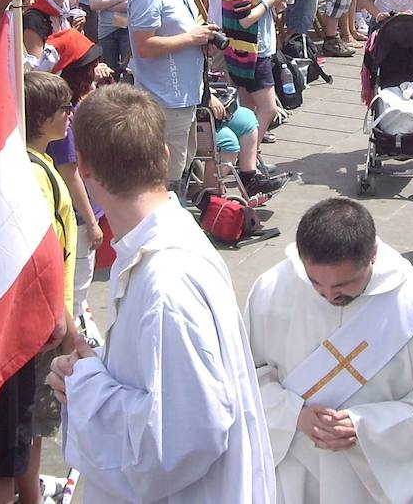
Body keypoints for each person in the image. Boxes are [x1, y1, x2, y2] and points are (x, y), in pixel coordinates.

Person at [47, 83, 276, 502]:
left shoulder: (166, 284)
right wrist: (100, 366)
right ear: (165, 155)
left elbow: (185, 439)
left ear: (85, 168)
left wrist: (85, 384)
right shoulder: (160, 247)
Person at [244, 198, 413, 503]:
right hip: (295, 466)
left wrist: (366, 427)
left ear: (372, 255)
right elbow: (247, 373)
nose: (328, 295)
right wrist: (292, 414)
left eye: (343, 286)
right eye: (315, 283)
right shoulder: (273, 289)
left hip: (372, 478)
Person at [128, 0, 225, 193]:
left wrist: (202, 34)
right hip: (164, 99)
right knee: (166, 177)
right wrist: (191, 37)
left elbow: (188, 26)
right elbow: (144, 46)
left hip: (186, 93)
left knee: (182, 166)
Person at [18, 72, 78, 504]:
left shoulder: (39, 161)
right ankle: (30, 493)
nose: (70, 115)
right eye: (64, 110)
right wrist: (61, 315)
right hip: (43, 319)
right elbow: (43, 253)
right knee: (34, 419)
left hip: (48, 313)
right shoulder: (35, 171)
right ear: (41, 119)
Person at [220, 0, 286, 195]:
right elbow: (245, 17)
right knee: (269, 109)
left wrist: (272, 1)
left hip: (250, 48)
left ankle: (250, 163)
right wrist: (269, 1)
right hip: (249, 50)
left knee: (248, 113)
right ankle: (247, 164)